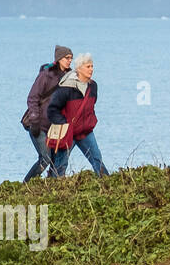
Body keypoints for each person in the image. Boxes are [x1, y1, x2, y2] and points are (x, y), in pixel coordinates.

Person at [47, 52, 109, 177]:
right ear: (79, 69)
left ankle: (108, 186)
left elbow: (91, 105)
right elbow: (52, 109)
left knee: (97, 159)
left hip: (85, 131)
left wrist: (90, 120)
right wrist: (64, 123)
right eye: (88, 67)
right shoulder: (66, 87)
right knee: (60, 165)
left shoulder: (93, 86)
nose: (91, 69)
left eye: (92, 66)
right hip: (68, 133)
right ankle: (52, 192)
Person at [22, 44, 73, 182]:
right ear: (59, 59)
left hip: (55, 127)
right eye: (67, 58)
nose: (69, 60)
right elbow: (32, 98)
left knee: (56, 160)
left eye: (71, 58)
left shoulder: (70, 77)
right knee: (45, 159)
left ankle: (51, 185)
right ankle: (25, 184)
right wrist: (35, 120)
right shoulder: (46, 75)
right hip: (38, 125)